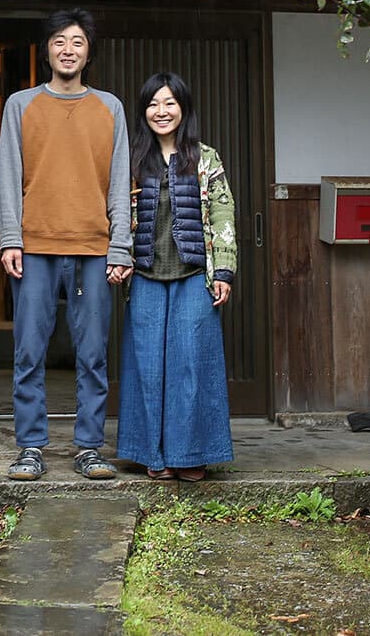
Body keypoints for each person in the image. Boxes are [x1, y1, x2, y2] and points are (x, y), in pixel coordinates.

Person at [0, 7, 131, 481]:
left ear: (88, 52)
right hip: (34, 245)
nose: (68, 50)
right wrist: (10, 238)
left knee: (93, 353)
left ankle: (89, 447)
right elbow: (8, 177)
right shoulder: (21, 105)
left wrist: (121, 246)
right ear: (46, 50)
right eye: (59, 41)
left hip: (94, 247)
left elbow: (119, 183)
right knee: (28, 351)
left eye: (77, 42)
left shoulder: (110, 108)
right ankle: (30, 446)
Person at [115, 71, 237, 481]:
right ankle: (151, 453)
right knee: (147, 367)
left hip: (193, 274)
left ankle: (190, 454)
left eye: (169, 103)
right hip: (145, 274)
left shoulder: (206, 158)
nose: (161, 111)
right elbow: (116, 212)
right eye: (153, 104)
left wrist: (224, 271)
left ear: (183, 108)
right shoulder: (131, 159)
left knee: (191, 363)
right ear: (143, 112)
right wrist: (118, 257)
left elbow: (223, 214)